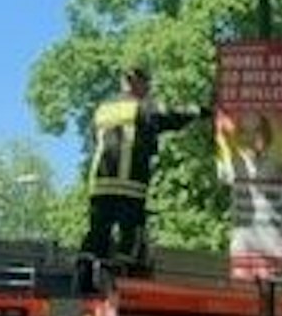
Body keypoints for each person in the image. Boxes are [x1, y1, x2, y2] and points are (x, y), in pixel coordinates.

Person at [84, 66, 211, 273]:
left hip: (100, 184)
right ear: (137, 83)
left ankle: (85, 273)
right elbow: (172, 116)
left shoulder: (102, 110)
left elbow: (93, 141)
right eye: (147, 85)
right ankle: (123, 275)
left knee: (97, 233)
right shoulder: (142, 108)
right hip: (130, 184)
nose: (149, 90)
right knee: (130, 234)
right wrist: (201, 111)